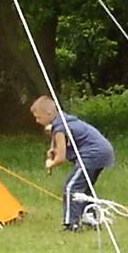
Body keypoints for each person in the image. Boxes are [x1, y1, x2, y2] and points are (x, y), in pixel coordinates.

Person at [32, 94, 116, 230]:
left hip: (93, 155)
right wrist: (53, 149)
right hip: (104, 151)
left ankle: (71, 224)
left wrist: (50, 163)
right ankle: (90, 219)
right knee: (85, 187)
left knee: (71, 187)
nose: (37, 121)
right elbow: (59, 146)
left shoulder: (60, 128)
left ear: (49, 113)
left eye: (38, 117)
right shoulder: (63, 121)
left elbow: (61, 158)